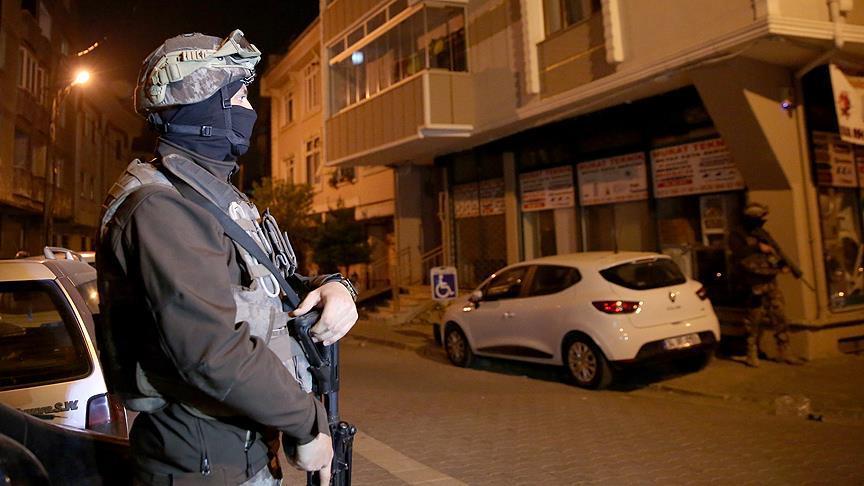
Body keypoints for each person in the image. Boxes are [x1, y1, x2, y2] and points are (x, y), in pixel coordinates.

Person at [96, 30, 358, 485]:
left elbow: (271, 285)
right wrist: (306, 421)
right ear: (198, 103)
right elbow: (210, 350)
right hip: (203, 466)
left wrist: (333, 287)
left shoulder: (209, 195)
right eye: (236, 96)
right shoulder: (160, 207)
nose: (248, 110)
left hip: (241, 454)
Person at [729, 202, 802, 367]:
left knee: (779, 315)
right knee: (754, 319)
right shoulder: (737, 234)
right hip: (752, 282)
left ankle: (784, 350)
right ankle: (751, 352)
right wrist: (757, 247)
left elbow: (775, 251)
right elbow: (738, 253)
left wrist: (783, 265)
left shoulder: (763, 233)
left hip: (769, 280)